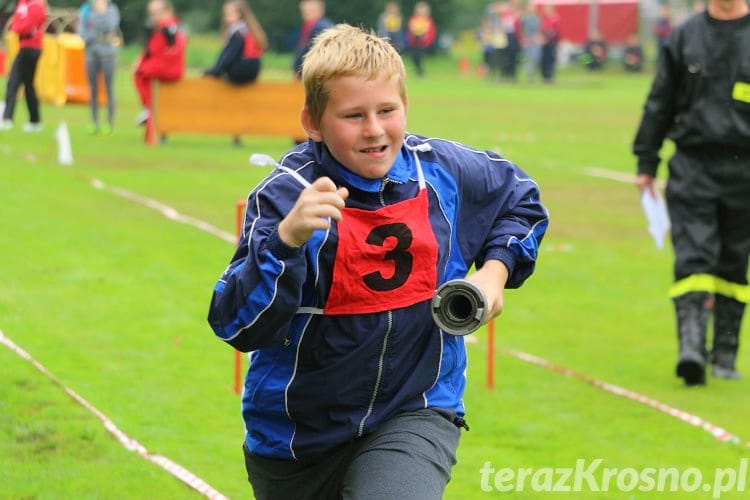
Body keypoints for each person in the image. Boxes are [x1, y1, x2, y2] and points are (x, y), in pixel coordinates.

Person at [207, 24, 548, 499]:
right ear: (313, 121)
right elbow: (236, 326)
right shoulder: (286, 195)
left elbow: (522, 202)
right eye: (353, 115)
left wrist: (493, 276)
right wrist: (288, 239)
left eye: (387, 110)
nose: (374, 129)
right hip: (294, 441)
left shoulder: (443, 172)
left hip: (416, 410)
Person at [632, 0, 750, 385]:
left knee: (734, 261)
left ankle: (726, 355)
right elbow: (660, 100)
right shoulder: (685, 37)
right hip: (693, 166)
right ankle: (692, 350)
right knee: (694, 256)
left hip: (746, 170)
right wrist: (646, 160)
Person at [133, 0, 186, 126]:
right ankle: (149, 109)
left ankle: (148, 108)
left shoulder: (166, 26)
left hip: (165, 67)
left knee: (139, 73)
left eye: (156, 13)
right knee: (142, 73)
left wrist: (141, 63)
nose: (153, 17)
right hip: (172, 67)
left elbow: (159, 51)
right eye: (151, 13)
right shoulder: (172, 26)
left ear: (167, 12)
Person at [0, 0, 47, 132]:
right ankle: (35, 121)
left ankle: (7, 118)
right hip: (24, 46)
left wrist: (19, 27)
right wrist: (19, 27)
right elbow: (15, 23)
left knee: (13, 82)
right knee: (28, 85)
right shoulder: (23, 3)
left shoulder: (37, 4)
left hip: (31, 48)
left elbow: (26, 27)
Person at [78, 0, 120, 135]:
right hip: (90, 53)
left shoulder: (112, 10)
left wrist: (101, 13)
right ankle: (94, 122)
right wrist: (98, 35)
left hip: (108, 55)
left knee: (109, 89)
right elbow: (83, 32)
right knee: (93, 89)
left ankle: (109, 122)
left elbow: (110, 26)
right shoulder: (85, 10)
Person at [204, 0, 266, 85]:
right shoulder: (249, 30)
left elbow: (230, 54)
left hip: (240, 71)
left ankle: (218, 72)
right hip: (254, 71)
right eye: (225, 14)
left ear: (239, 14)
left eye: (229, 14)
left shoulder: (237, 32)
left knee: (226, 56)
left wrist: (216, 71)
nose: (226, 17)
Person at [293, 0, 333, 78]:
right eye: (305, 9)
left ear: (321, 10)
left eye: (311, 10)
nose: (306, 12)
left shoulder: (322, 28)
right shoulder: (311, 26)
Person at [406, 1, 436, 77]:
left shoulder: (428, 21)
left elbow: (431, 32)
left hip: (423, 42)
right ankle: (419, 71)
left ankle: (421, 72)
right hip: (415, 41)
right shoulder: (413, 19)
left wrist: (427, 40)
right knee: (414, 57)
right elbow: (410, 30)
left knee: (419, 57)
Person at [520, 1, 541, 83]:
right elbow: (522, 30)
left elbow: (539, 29)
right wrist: (524, 39)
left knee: (536, 58)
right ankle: (530, 76)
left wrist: (538, 37)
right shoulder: (525, 19)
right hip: (528, 40)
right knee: (529, 59)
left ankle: (532, 74)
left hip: (535, 40)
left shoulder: (537, 18)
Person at [539, 3, 559, 83]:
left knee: (550, 59)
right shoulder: (544, 19)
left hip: (552, 43)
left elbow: (555, 31)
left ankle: (549, 76)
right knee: (544, 59)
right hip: (544, 43)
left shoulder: (555, 18)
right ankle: (545, 76)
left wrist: (546, 39)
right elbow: (542, 29)